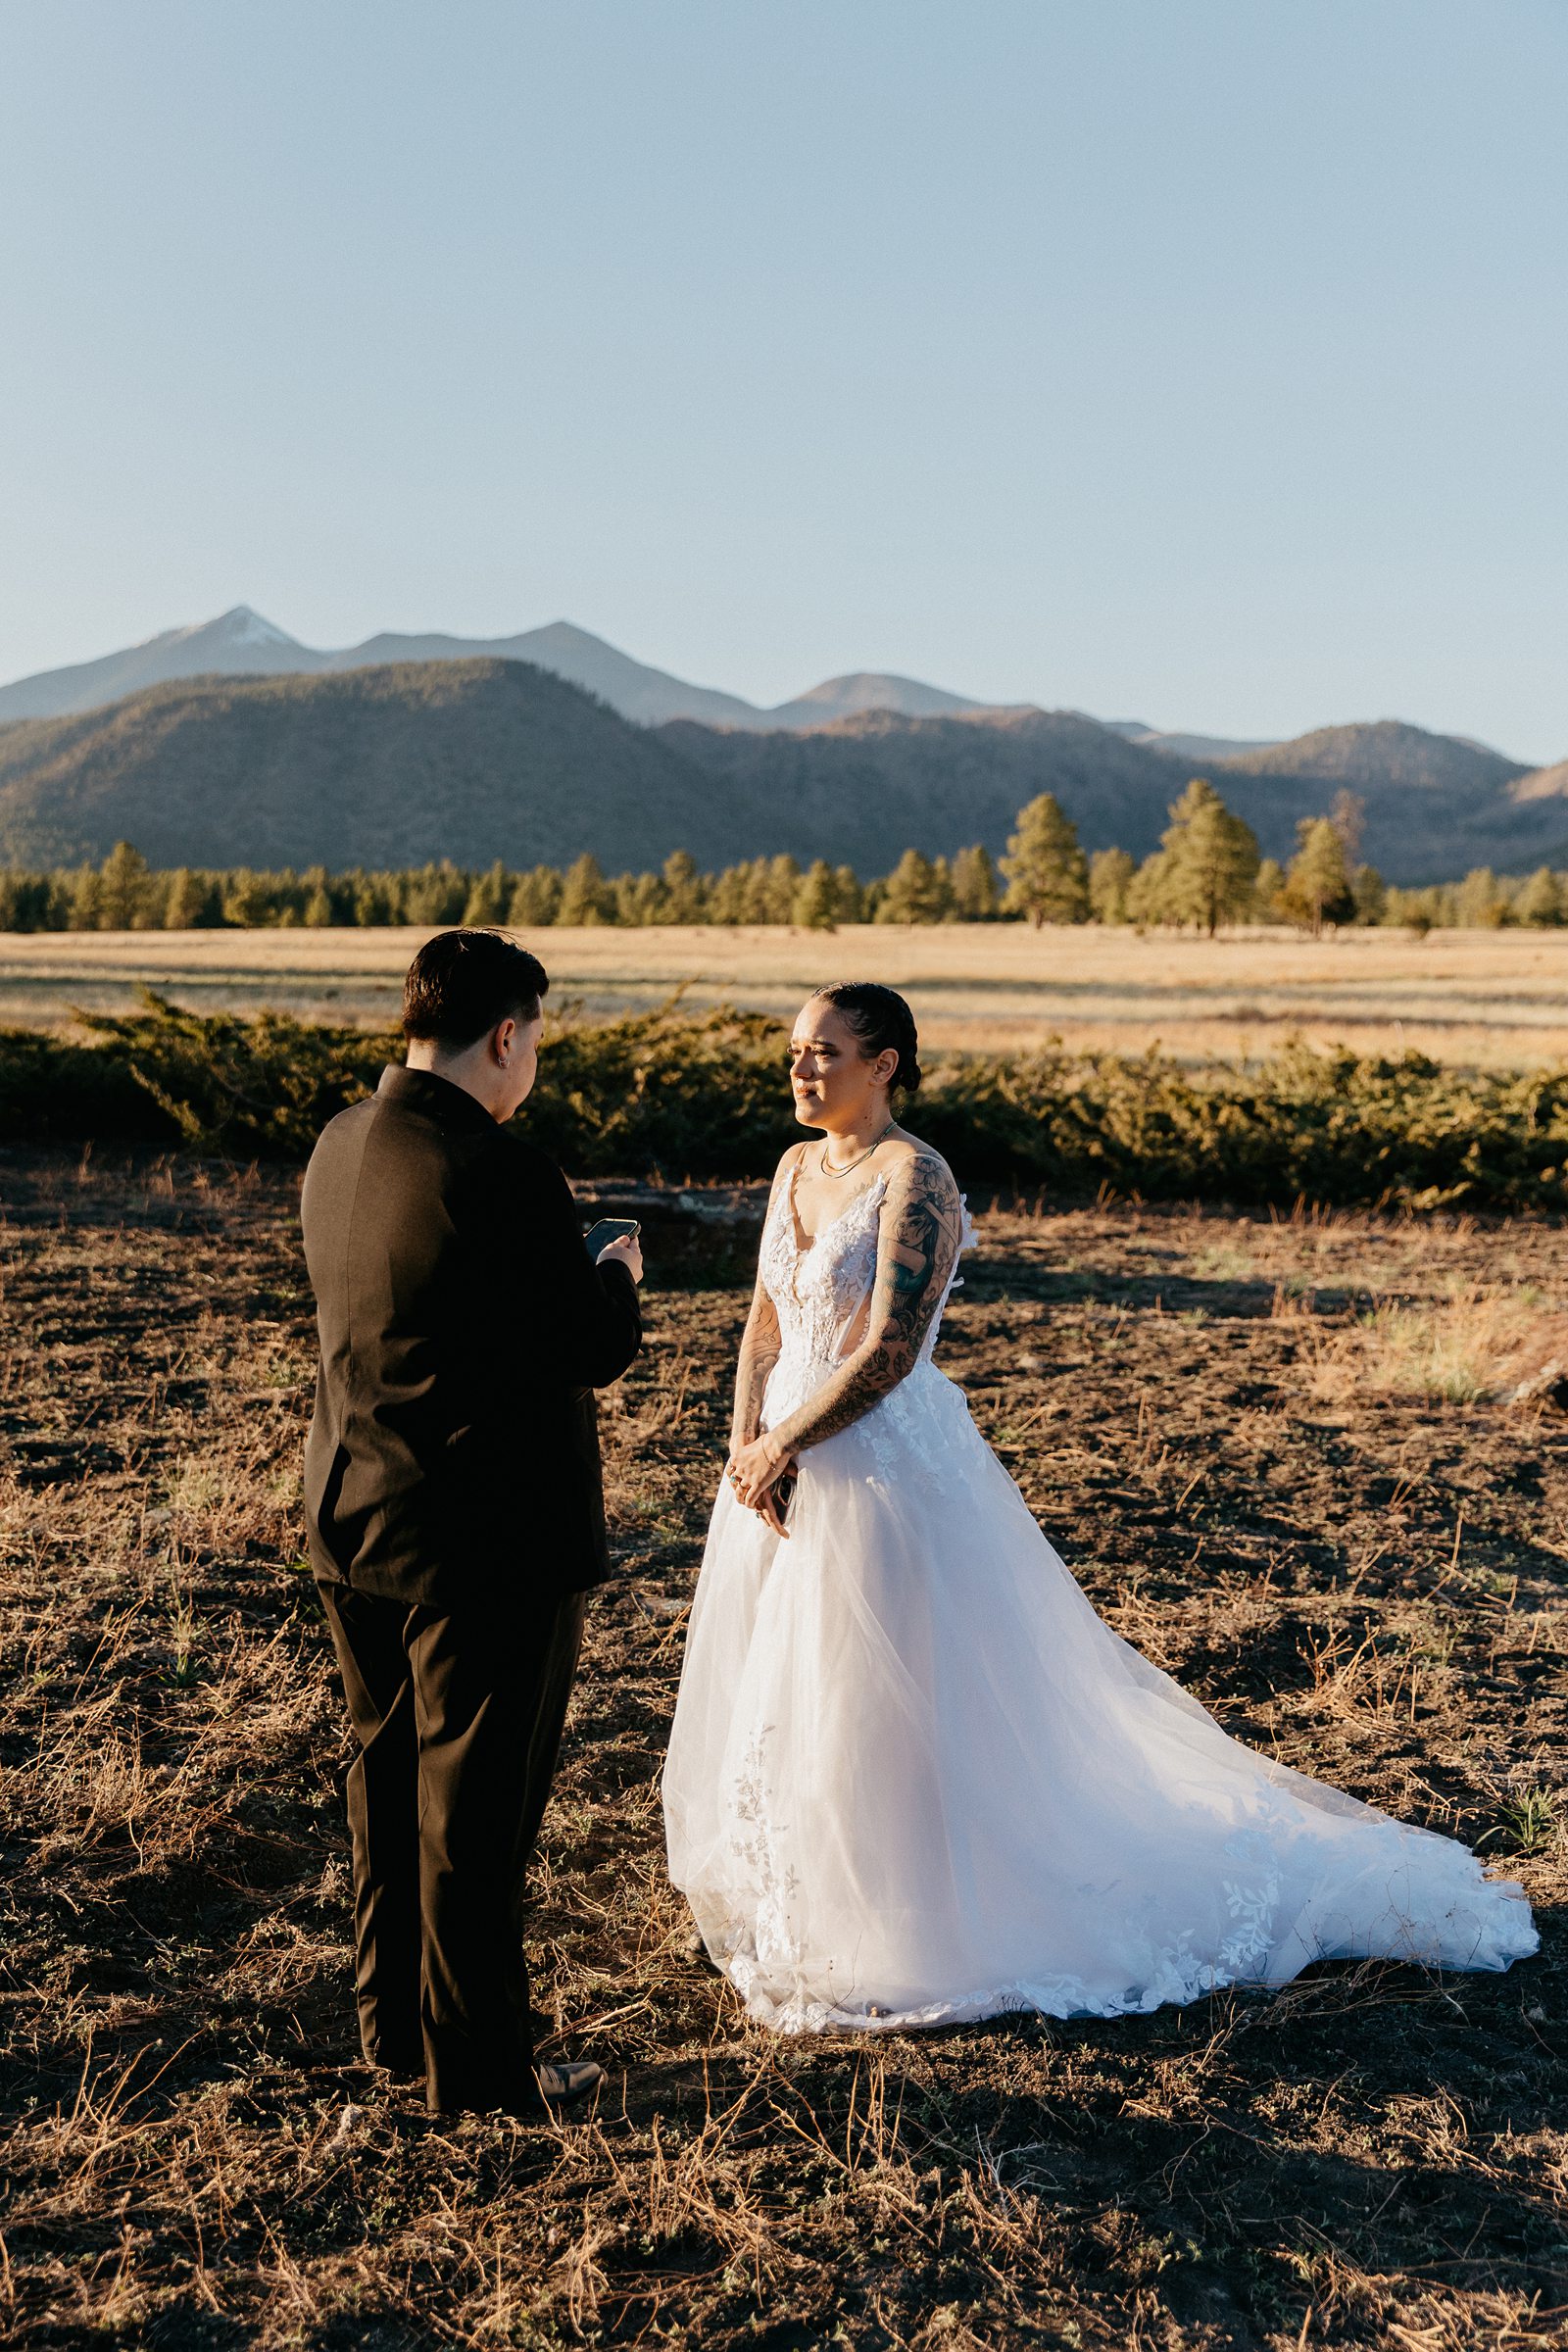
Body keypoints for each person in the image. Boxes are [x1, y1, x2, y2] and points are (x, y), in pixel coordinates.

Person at [662, 981, 1537, 2033]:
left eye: (824, 1051)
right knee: (787, 1678)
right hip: (774, 1467)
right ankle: (806, 1890)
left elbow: (889, 1350)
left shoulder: (916, 1177)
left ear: (885, 1063)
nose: (801, 1069)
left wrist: (787, 1441)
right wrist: (742, 1448)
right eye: (795, 1051)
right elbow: (764, 1323)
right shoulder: (794, 1167)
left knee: (887, 1696)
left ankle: (912, 1915)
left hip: (879, 1469)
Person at [301, 928, 643, 2115]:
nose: (531, 1061)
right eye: (534, 1038)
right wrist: (612, 1272)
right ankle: (486, 2075)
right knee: (476, 1812)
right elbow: (586, 1350)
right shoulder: (500, 1170)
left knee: (385, 1781)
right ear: (506, 1033)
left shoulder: (343, 1141)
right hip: (484, 1539)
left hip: (353, 1512)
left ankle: (391, 2029)